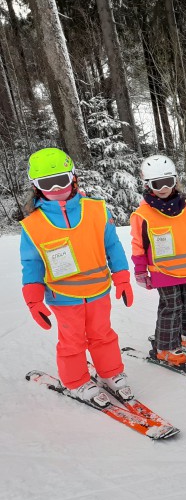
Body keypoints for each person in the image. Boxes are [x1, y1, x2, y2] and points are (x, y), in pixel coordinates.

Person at [19, 148, 133, 406]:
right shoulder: (33, 225)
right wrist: (34, 300)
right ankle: (77, 381)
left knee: (103, 334)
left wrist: (122, 278)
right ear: (37, 187)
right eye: (48, 183)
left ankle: (110, 373)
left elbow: (112, 246)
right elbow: (31, 263)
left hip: (98, 291)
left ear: (74, 177)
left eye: (62, 179)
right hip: (64, 297)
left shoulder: (96, 210)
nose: (57, 187)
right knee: (72, 341)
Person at [130, 155, 186, 368]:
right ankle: (164, 348)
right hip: (161, 271)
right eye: (157, 184)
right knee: (171, 306)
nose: (163, 188)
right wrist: (140, 271)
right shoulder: (143, 214)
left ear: (175, 181)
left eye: (168, 182)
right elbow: (138, 244)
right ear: (148, 185)